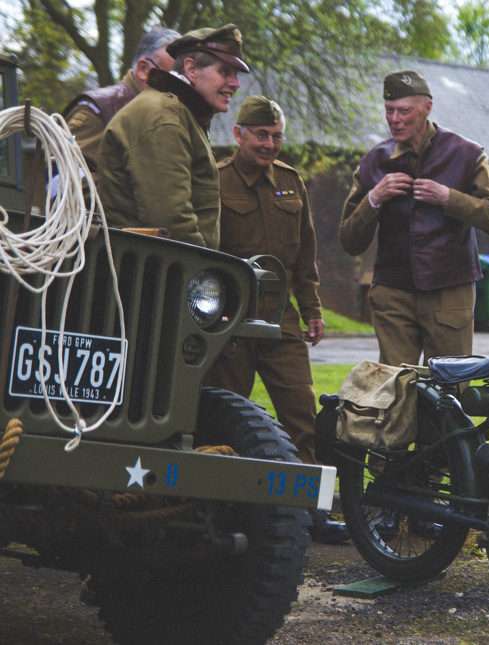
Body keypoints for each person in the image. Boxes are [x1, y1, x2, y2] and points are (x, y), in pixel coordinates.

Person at [204, 95, 346, 543]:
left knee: (302, 415)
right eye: (261, 135)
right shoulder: (215, 180)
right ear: (239, 135)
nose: (269, 145)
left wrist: (313, 310)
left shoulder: (291, 183)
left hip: (279, 320)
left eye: (276, 137)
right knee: (226, 414)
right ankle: (225, 509)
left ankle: (310, 513)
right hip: (229, 321)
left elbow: (305, 256)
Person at [338, 70, 489, 366]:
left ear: (427, 108)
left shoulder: (467, 155)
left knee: (450, 389)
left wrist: (451, 199)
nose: (395, 119)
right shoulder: (374, 162)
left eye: (404, 111)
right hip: (393, 293)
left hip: (450, 292)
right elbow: (349, 239)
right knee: (395, 390)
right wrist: (374, 198)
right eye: (389, 111)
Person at [98, 24, 249, 248]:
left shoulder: (179, 113)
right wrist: (205, 270)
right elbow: (170, 221)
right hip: (155, 274)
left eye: (235, 74)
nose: (235, 83)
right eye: (224, 72)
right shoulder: (163, 117)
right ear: (191, 68)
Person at [64, 27, 180, 172]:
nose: (179, 90)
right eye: (172, 80)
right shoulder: (98, 110)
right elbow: (68, 179)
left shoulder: (174, 114)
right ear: (144, 70)